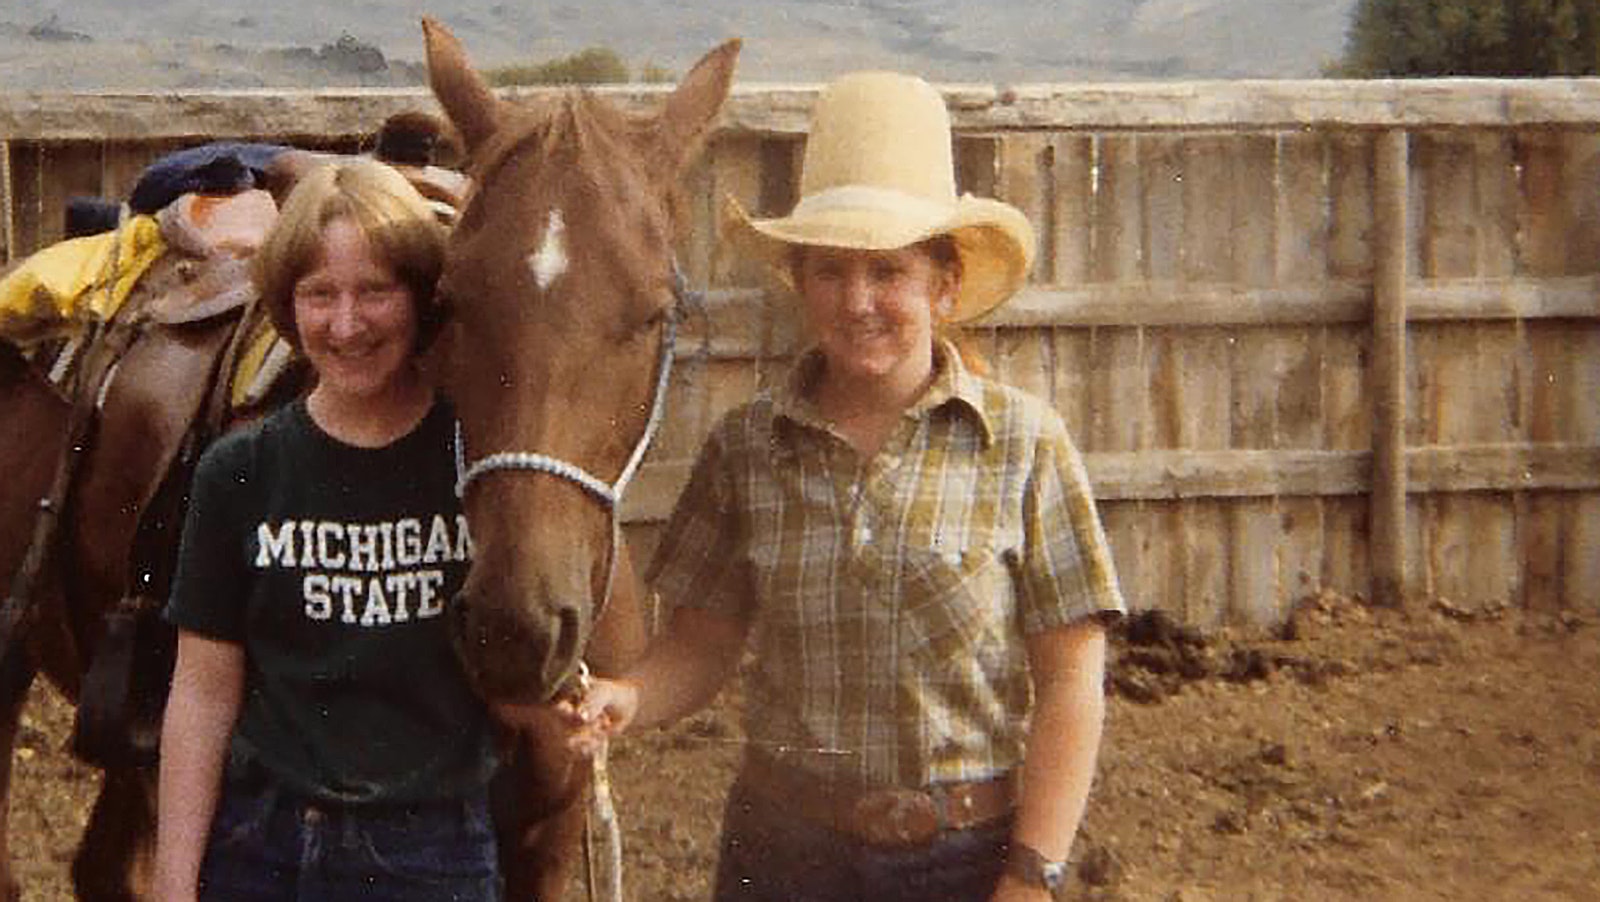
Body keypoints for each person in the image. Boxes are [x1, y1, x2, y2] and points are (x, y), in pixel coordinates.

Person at [563, 71, 1126, 901]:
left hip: (965, 861)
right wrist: (628, 696)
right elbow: (702, 646)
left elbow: (1073, 682)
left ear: (945, 285)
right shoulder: (747, 446)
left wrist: (1031, 871)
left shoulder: (1023, 446)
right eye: (830, 271)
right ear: (799, 282)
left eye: (887, 271)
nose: (857, 301)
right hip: (782, 856)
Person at [154, 158, 500, 901]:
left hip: (431, 853)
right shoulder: (240, 470)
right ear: (288, 305)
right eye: (320, 294)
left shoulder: (474, 465)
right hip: (263, 846)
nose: (346, 325)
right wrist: (174, 883)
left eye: (375, 290)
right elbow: (203, 695)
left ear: (420, 296)